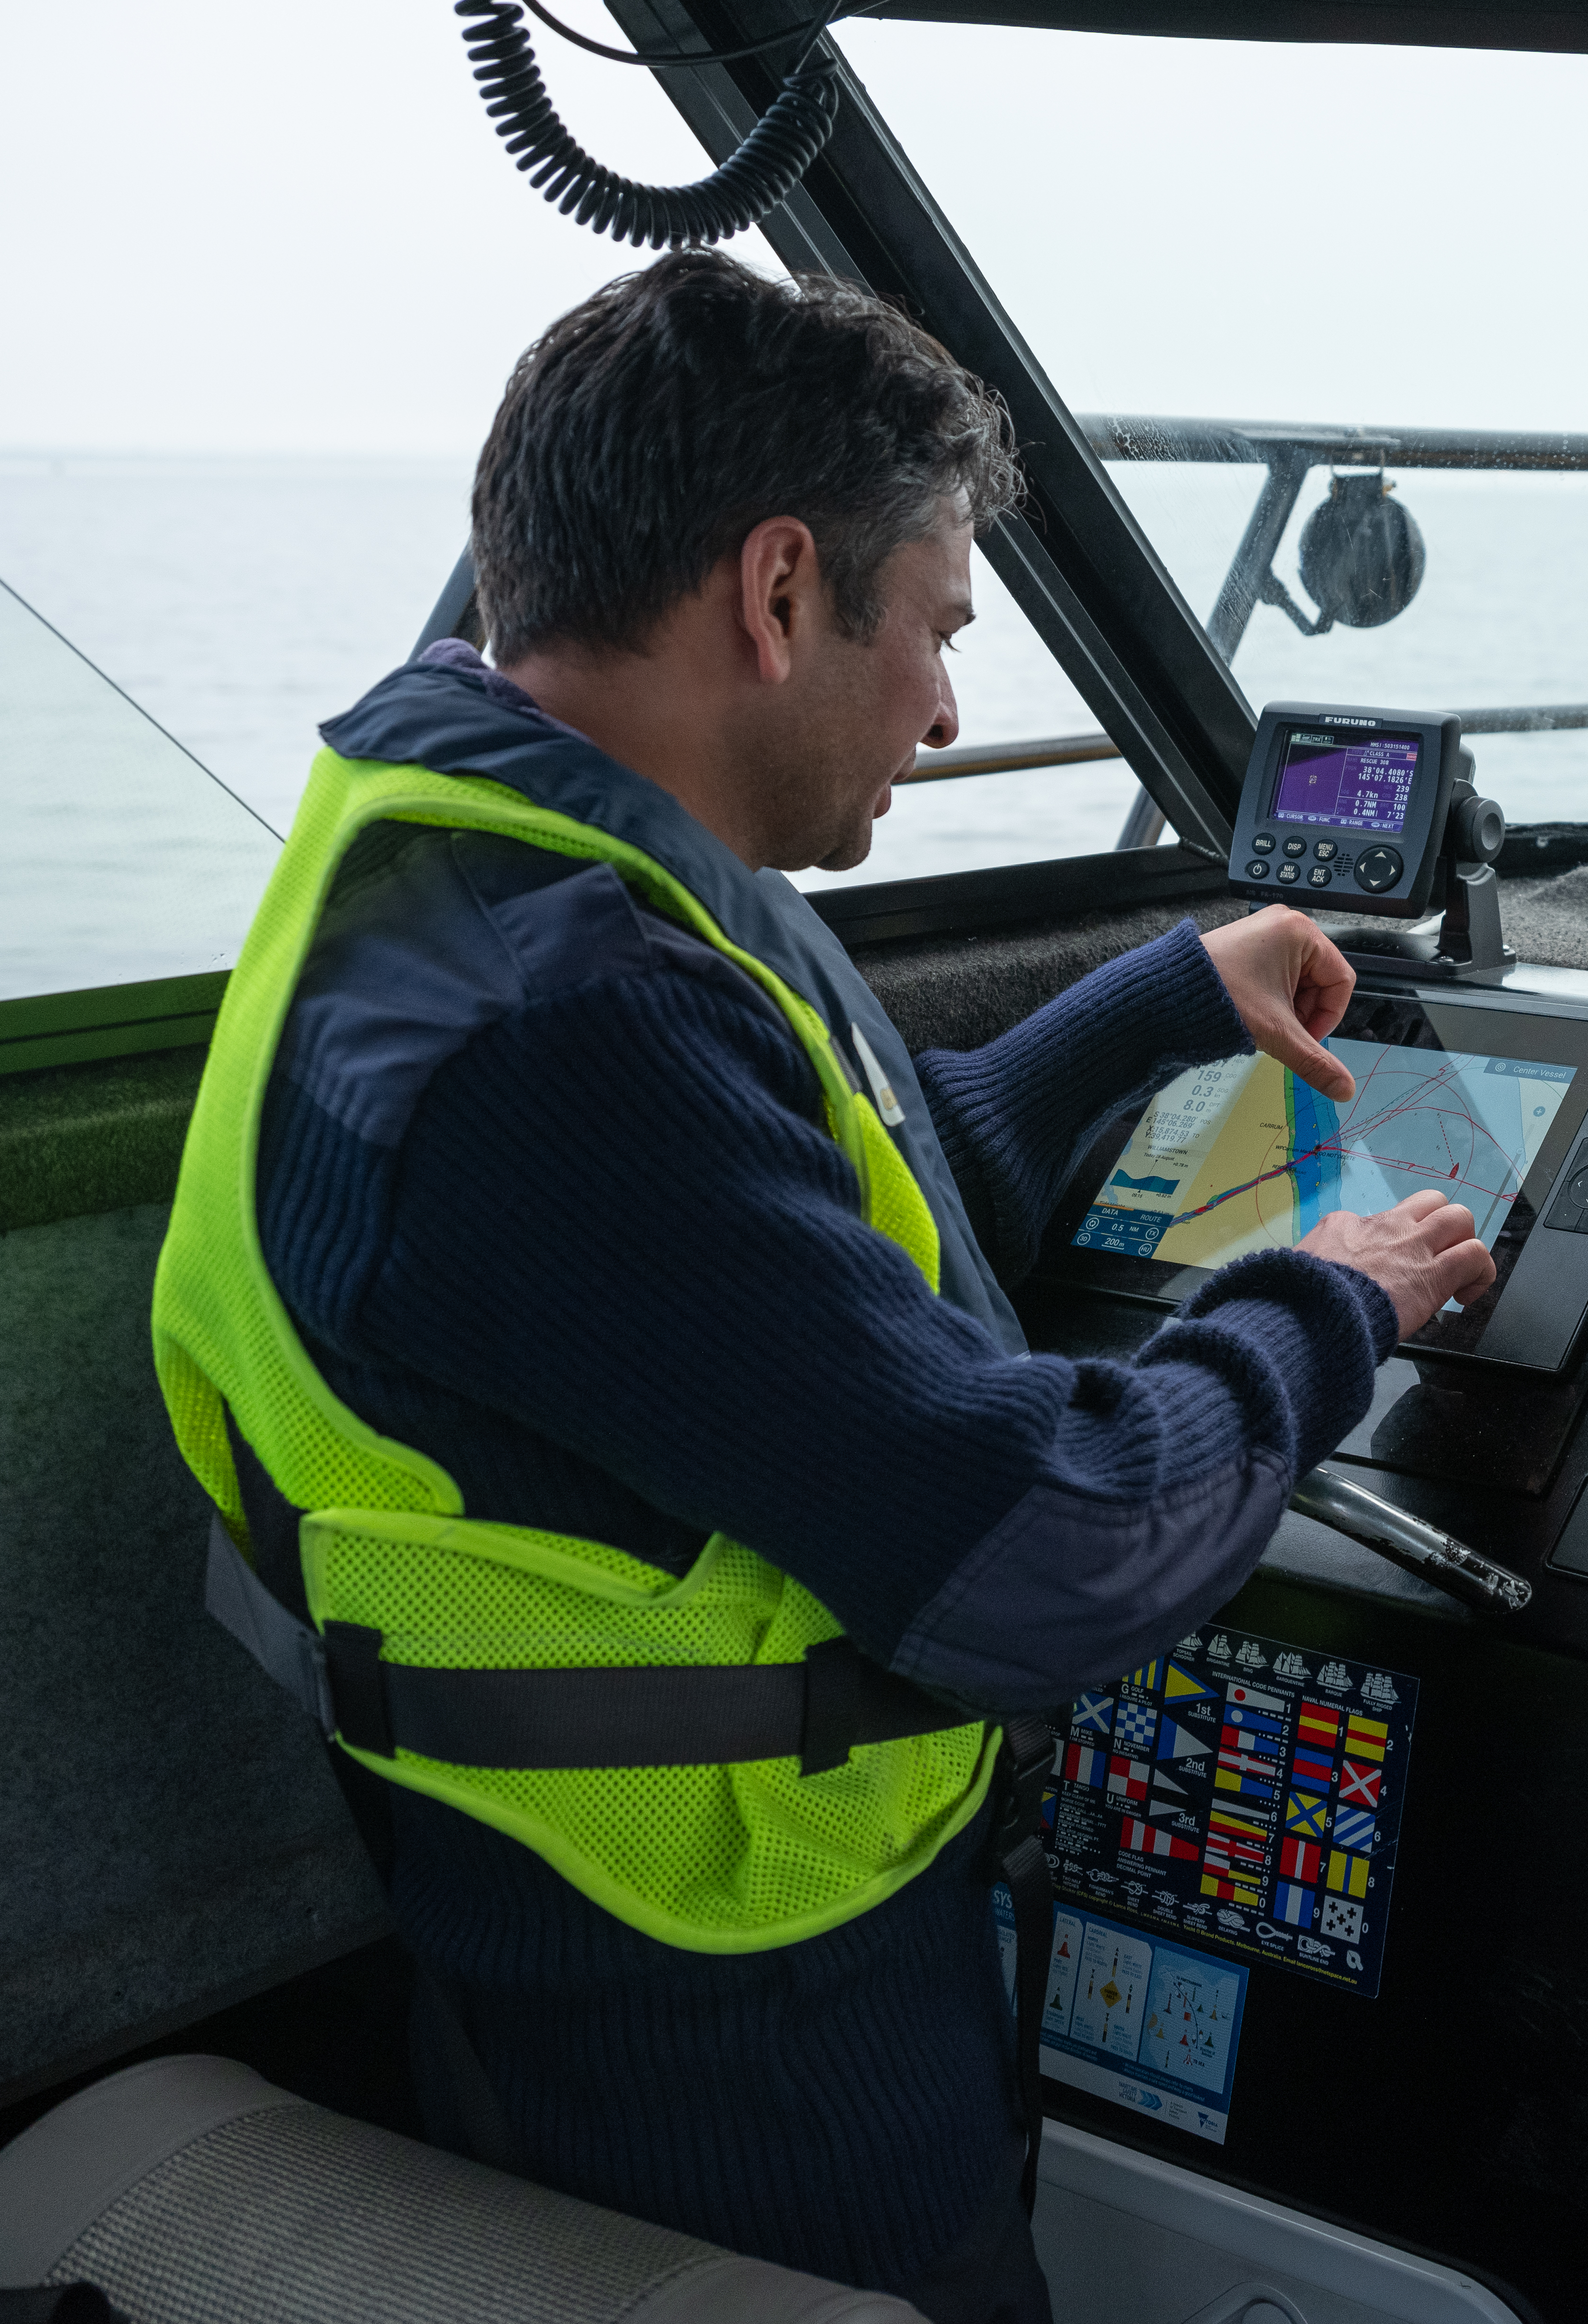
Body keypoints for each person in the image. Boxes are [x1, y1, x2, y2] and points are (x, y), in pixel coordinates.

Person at [147, 251, 1493, 2319]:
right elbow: (1050, 1550)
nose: (946, 710)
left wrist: (1155, 1000)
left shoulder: (483, 858)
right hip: (733, 2055)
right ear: (780, 591)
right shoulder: (566, 1026)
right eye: (940, 626)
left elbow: (790, 1241)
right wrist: (1331, 1302)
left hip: (584, 1948)